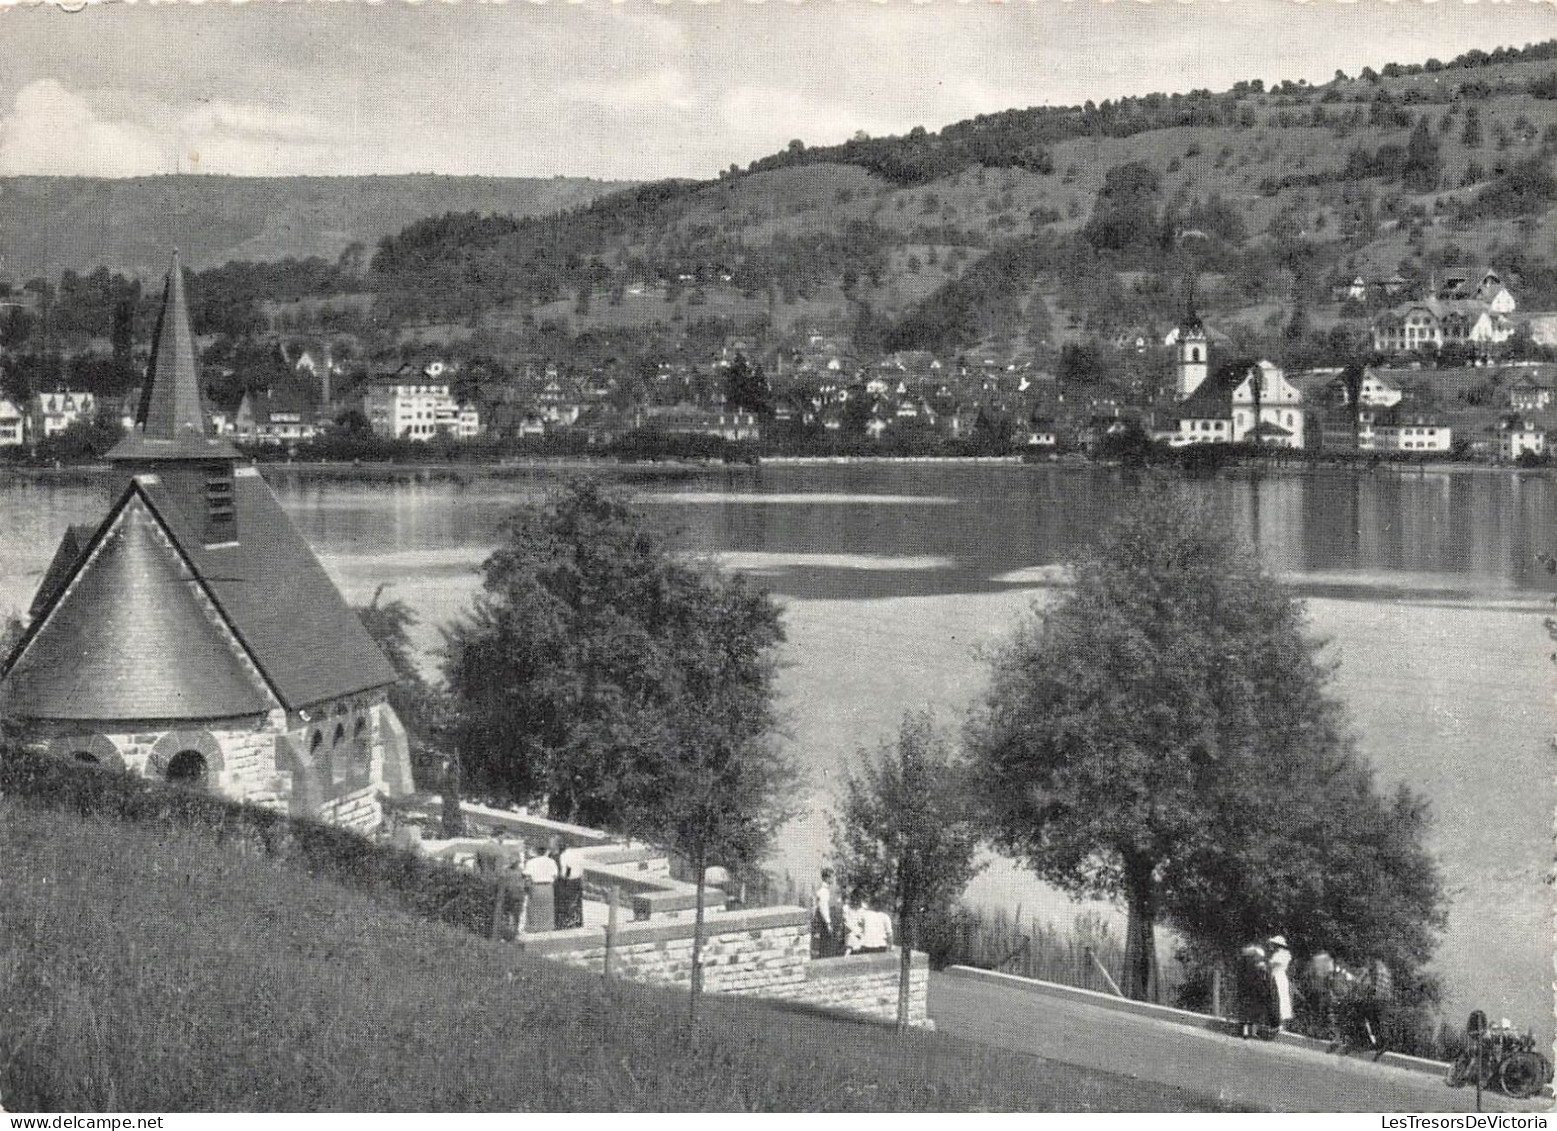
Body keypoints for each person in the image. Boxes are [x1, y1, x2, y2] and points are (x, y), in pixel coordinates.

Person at [523, 840, 559, 933]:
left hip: (536, 886)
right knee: (548, 908)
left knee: (534, 908)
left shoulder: (531, 862)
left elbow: (527, 875)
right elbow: (555, 875)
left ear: (536, 851)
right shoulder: (552, 862)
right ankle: (546, 928)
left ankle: (534, 928)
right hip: (548, 886)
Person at [1235, 942, 1270, 1038]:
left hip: (1245, 986)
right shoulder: (1259, 960)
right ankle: (1253, 1032)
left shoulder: (1244, 959)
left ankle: (1245, 1031)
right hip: (1256, 986)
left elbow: (1240, 973)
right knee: (1255, 1008)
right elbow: (1263, 974)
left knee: (1245, 1007)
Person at [553, 839, 585, 930]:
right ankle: (577, 921)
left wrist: (563, 877)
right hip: (577, 880)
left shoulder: (564, 855)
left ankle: (565, 923)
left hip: (567, 881)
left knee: (565, 902)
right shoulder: (579, 855)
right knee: (577, 902)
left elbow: (566, 870)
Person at [1266, 935, 1294, 1032]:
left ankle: (1280, 1024)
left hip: (1279, 977)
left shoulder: (1283, 954)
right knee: (1276, 999)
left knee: (1280, 999)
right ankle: (1276, 1023)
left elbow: (1273, 964)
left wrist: (1269, 963)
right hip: (1275, 976)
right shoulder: (1277, 954)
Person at [812, 868, 836, 957]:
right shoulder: (824, 891)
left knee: (825, 944)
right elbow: (824, 908)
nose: (833, 879)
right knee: (827, 944)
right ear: (826, 878)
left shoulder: (824, 890)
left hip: (824, 921)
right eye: (832, 877)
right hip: (824, 922)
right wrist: (828, 923)